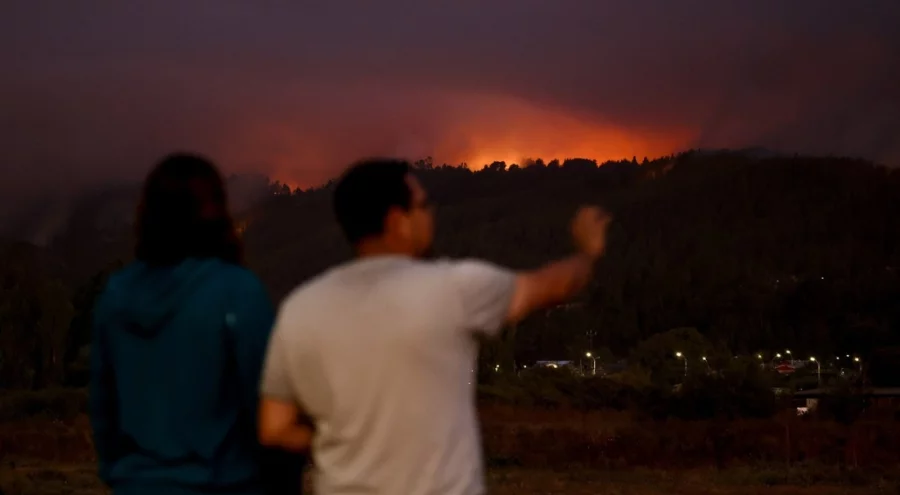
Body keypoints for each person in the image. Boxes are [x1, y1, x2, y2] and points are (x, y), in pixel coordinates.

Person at [257, 158, 612, 494]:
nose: (431, 216)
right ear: (398, 220)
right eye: (424, 206)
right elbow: (550, 286)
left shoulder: (301, 308)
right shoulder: (452, 289)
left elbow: (274, 429)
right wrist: (588, 252)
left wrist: (341, 441)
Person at [89, 153, 304, 495]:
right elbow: (265, 406)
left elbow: (103, 403)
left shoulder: (117, 294)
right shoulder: (236, 292)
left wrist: (118, 472)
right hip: (222, 483)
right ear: (217, 212)